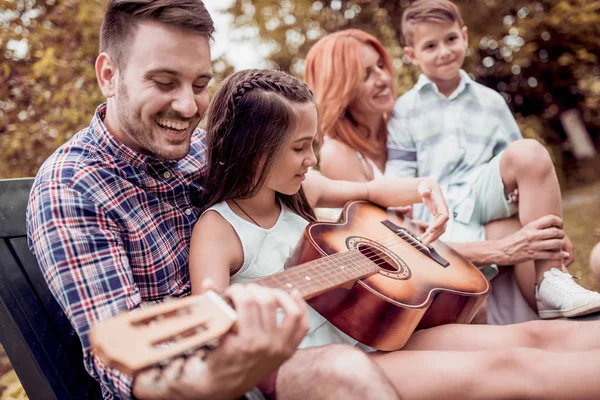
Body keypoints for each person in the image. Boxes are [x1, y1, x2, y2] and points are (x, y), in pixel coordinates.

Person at [25, 1, 402, 399]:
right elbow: (131, 373)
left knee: (463, 349)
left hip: (270, 354)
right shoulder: (71, 189)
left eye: (201, 85)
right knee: (344, 372)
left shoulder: (198, 148)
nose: (189, 107)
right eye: (165, 83)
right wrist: (225, 373)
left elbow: (284, 185)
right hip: (198, 385)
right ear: (109, 76)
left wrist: (376, 192)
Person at [190, 67, 600, 400]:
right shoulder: (219, 229)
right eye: (299, 148)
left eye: (311, 145)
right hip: (327, 364)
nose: (311, 159)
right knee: (510, 368)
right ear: (255, 149)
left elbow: (371, 191)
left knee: (531, 336)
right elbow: (209, 328)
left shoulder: (301, 189)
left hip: (377, 336)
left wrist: (425, 188)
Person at [306, 2, 600, 320]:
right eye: (365, 74)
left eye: (380, 66)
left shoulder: (397, 118)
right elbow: (391, 241)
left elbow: (515, 161)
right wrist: (507, 245)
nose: (383, 78)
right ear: (342, 86)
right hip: (425, 247)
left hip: (470, 209)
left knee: (513, 214)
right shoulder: (348, 147)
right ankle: (543, 330)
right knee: (505, 237)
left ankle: (556, 298)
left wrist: (545, 230)